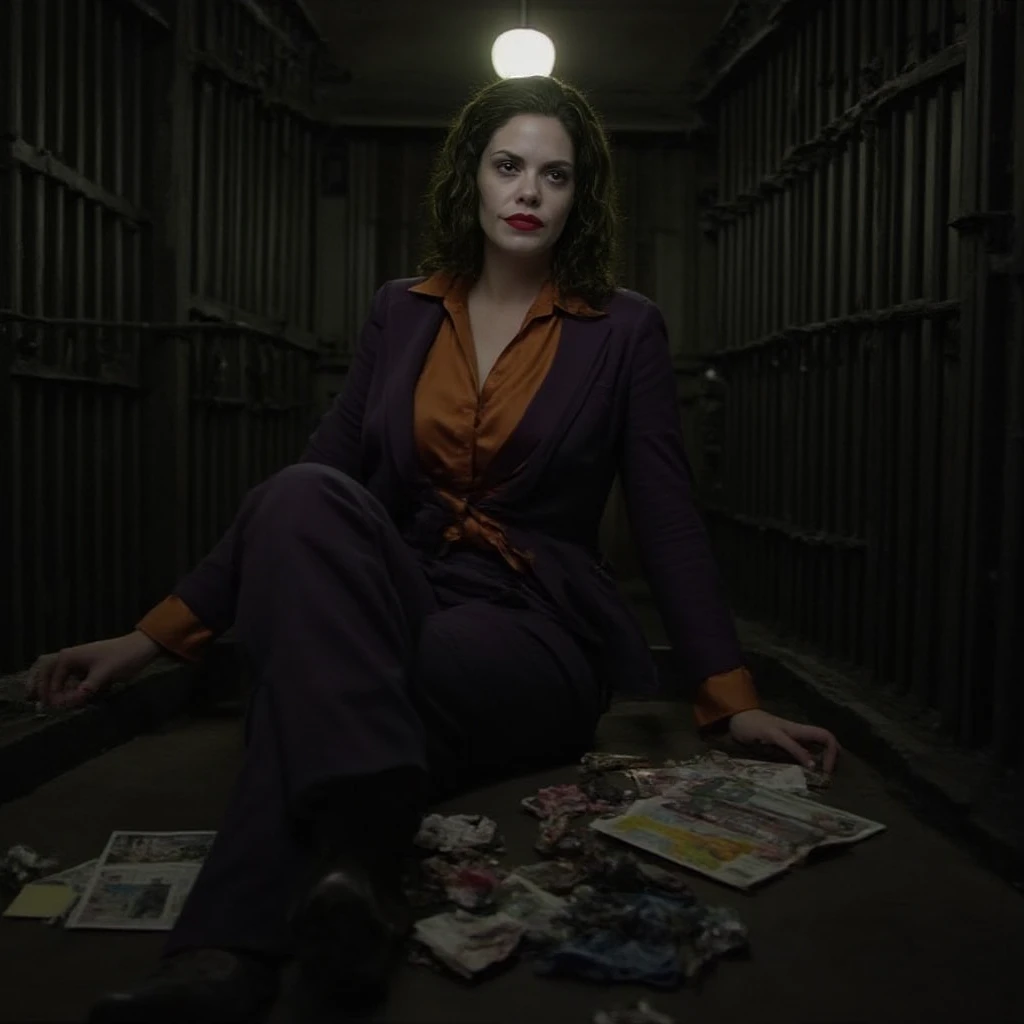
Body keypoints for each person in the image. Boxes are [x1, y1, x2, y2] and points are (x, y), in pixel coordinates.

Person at [28, 75, 840, 1022]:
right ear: (471, 179)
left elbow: (667, 520)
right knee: (299, 495)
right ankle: (355, 875)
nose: (528, 191)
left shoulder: (623, 329)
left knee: (317, 685)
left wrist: (731, 700)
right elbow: (321, 471)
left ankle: (224, 955)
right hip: (405, 588)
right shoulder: (401, 310)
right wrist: (149, 639)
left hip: (534, 625)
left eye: (555, 175)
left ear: (580, 197)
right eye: (508, 166)